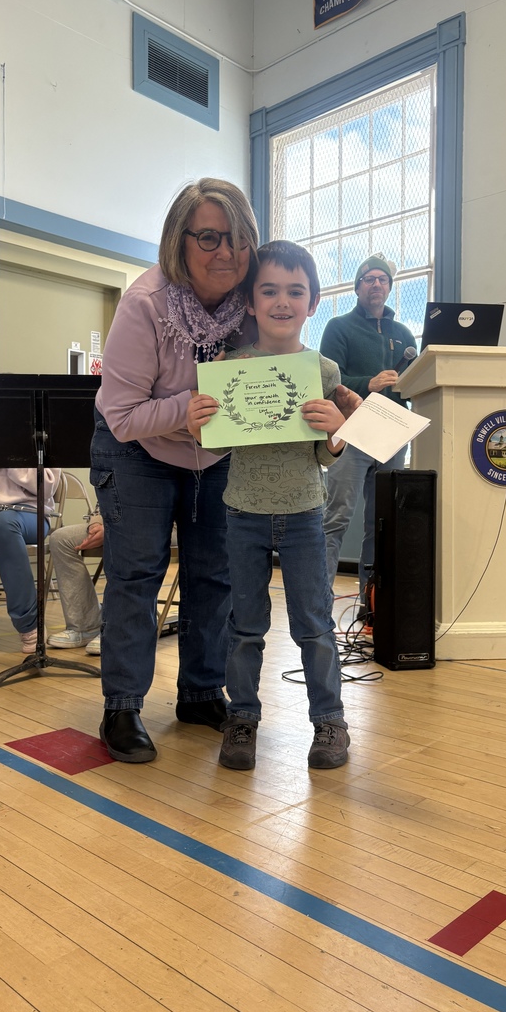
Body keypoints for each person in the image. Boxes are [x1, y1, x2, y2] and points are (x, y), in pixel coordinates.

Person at [90, 177, 260, 763]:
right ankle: (122, 706)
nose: (225, 253)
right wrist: (183, 412)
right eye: (209, 237)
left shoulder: (251, 305)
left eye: (237, 239)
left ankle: (199, 692)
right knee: (136, 575)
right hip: (135, 448)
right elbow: (119, 413)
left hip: (211, 455)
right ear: (178, 240)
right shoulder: (146, 305)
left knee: (214, 576)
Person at [187, 240, 350, 771]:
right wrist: (199, 425)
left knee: (315, 624)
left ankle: (330, 722)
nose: (283, 301)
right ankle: (242, 718)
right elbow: (217, 448)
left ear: (313, 301)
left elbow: (324, 459)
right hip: (243, 514)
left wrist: (337, 436)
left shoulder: (323, 371)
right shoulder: (230, 367)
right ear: (251, 303)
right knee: (245, 626)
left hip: (304, 513)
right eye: (270, 290)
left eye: (295, 291)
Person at [320, 254, 417, 612]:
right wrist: (368, 384)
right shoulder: (338, 328)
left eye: (383, 280)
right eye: (369, 279)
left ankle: (371, 603)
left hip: (392, 433)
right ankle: (318, 602)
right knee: (337, 516)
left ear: (390, 288)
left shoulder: (404, 335)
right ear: (357, 286)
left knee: (381, 523)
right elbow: (329, 381)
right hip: (353, 430)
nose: (376, 284)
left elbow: (413, 385)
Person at [0, 437, 61, 651]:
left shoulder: (41, 438)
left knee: (2, 525)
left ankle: (30, 624)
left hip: (28, 514)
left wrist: (8, 456)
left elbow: (46, 487)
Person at [47, 512, 103, 656]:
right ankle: (86, 626)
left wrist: (114, 528)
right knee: (60, 539)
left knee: (121, 538)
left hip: (153, 522)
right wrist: (96, 523)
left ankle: (118, 628)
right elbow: (104, 498)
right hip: (112, 520)